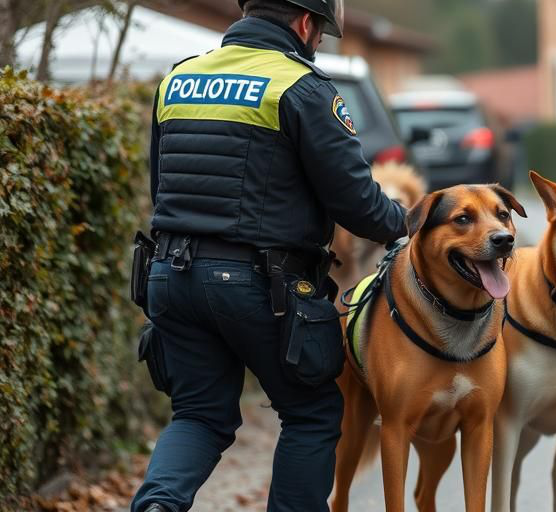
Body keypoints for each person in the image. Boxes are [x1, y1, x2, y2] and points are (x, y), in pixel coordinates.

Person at [131, 1, 407, 511]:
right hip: (260, 286)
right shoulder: (302, 87)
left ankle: (156, 507)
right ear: (305, 24)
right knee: (313, 412)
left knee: (198, 414)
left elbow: (161, 187)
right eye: (320, 32)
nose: (318, 42)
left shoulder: (180, 80)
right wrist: (407, 222)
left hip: (170, 274)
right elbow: (355, 201)